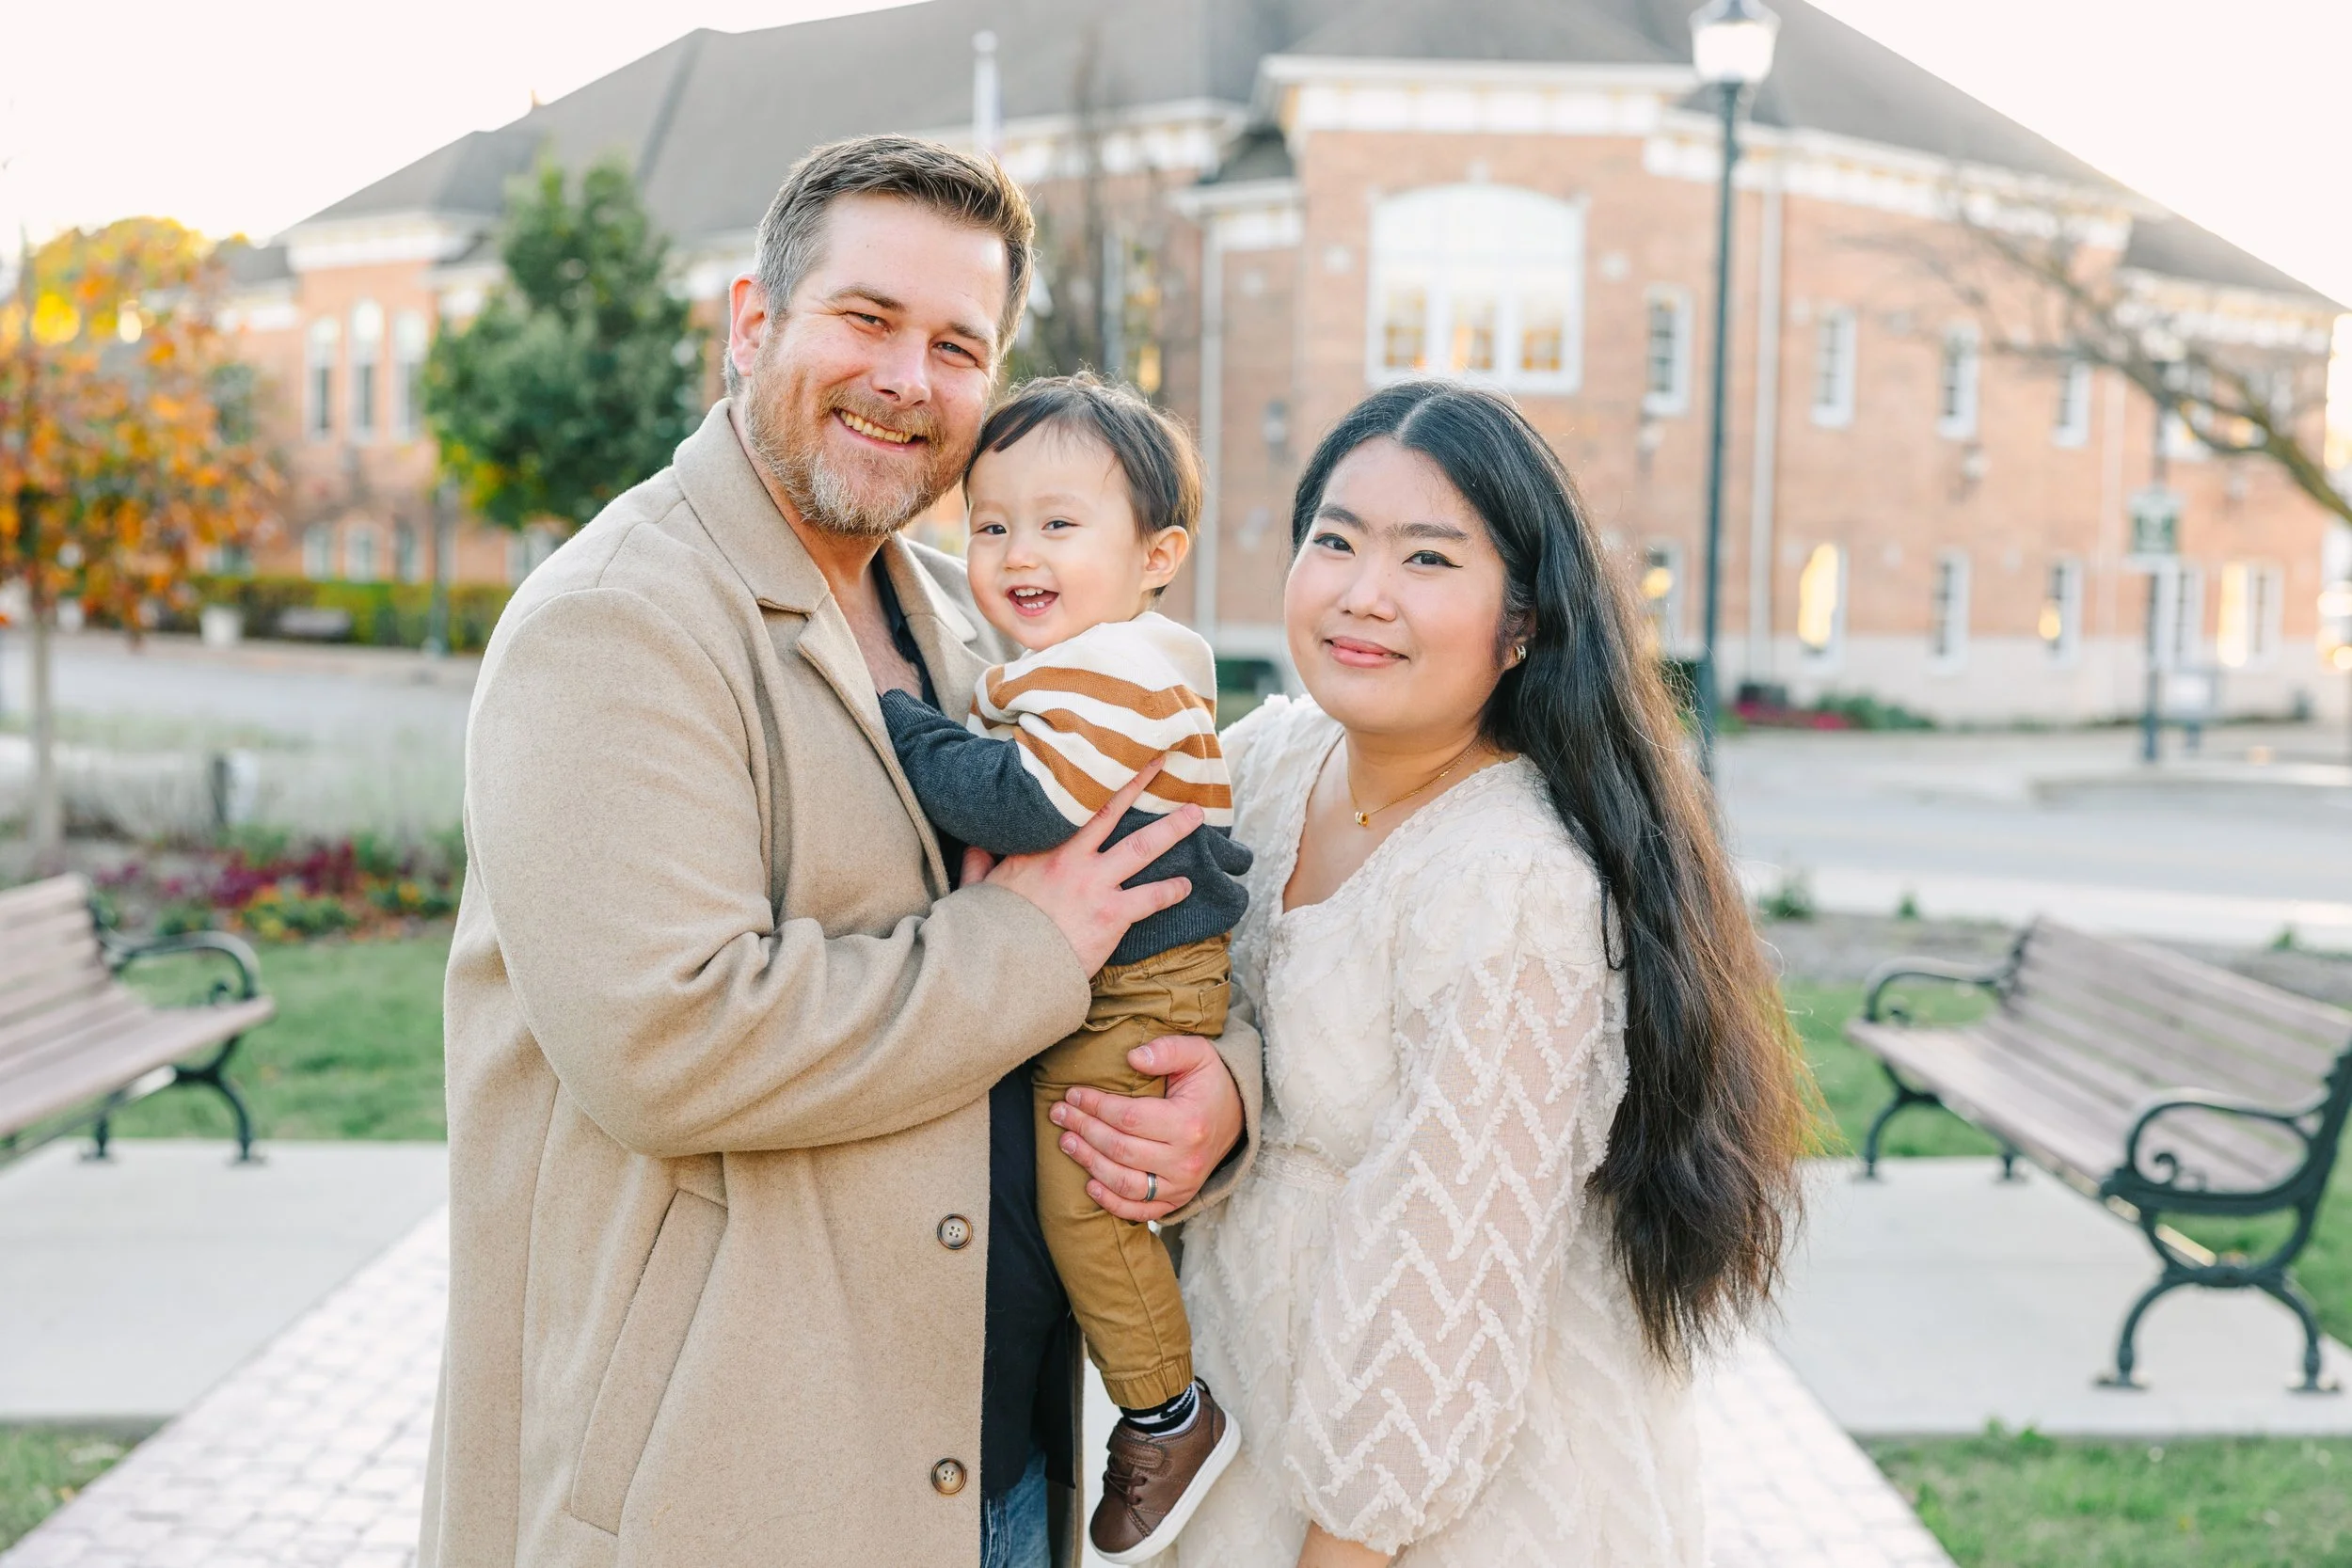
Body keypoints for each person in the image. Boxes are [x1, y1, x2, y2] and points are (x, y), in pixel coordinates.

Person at [422, 136, 1259, 1568]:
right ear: (754, 322)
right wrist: (1029, 947)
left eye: (957, 346)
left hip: (994, 1465)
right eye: (867, 318)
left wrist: (1214, 1093)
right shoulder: (616, 621)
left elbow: (1151, 887)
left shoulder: (977, 607)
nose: (907, 379)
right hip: (740, 1488)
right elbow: (666, 1041)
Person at [1163, 380, 1811, 1566]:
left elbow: (1444, 1301)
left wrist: (1343, 1545)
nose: (1365, 592)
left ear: (1521, 623)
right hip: (1251, 1419)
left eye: (1427, 558)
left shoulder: (1511, 883)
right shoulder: (1265, 763)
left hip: (1438, 1497)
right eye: (1335, 541)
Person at [882, 373, 1252, 1563]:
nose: (1016, 552)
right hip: (1127, 978)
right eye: (990, 524)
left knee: (1085, 1207)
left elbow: (1025, 801)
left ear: (1157, 555)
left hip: (1138, 989)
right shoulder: (1088, 657)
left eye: (1057, 522)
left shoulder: (1116, 669)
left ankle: (1168, 1414)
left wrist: (899, 725)